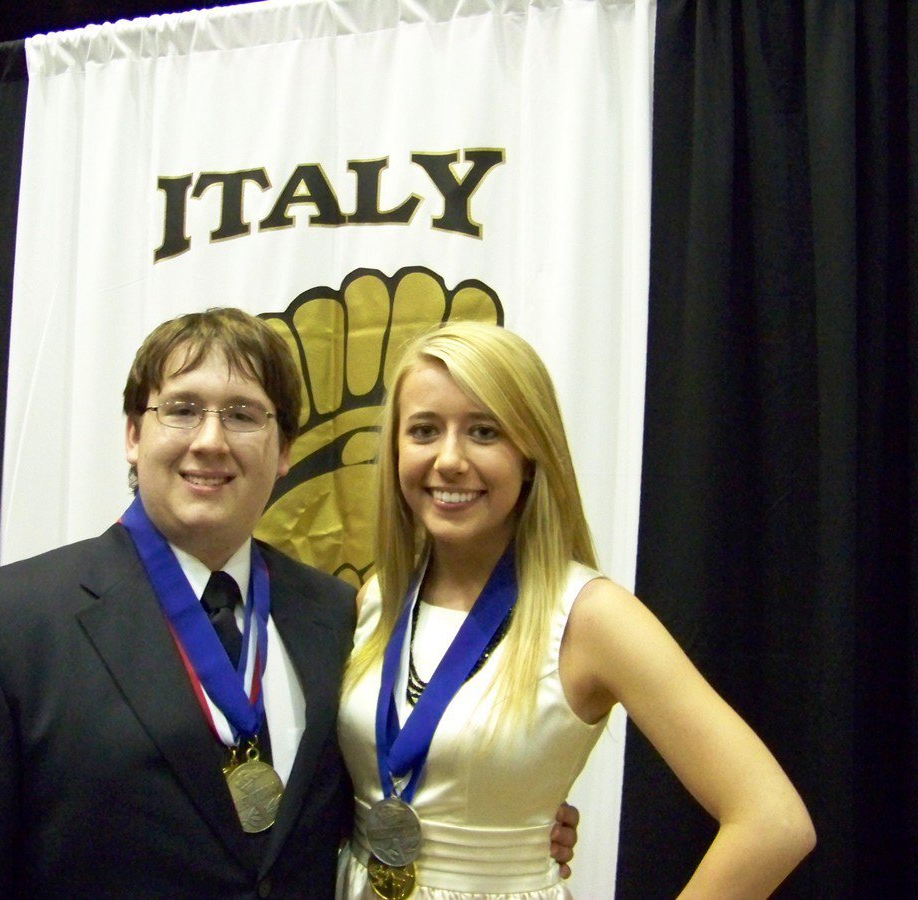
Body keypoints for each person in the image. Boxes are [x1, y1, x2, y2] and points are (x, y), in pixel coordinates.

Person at [0, 308, 579, 897]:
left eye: (245, 415)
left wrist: (510, 809)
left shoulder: (340, 616)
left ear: (284, 450)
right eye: (182, 409)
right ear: (134, 433)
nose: (211, 440)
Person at [336, 322, 816, 899]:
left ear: (531, 453)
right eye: (424, 430)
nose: (450, 459)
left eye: (484, 431)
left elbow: (773, 823)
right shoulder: (378, 599)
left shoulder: (591, 616)